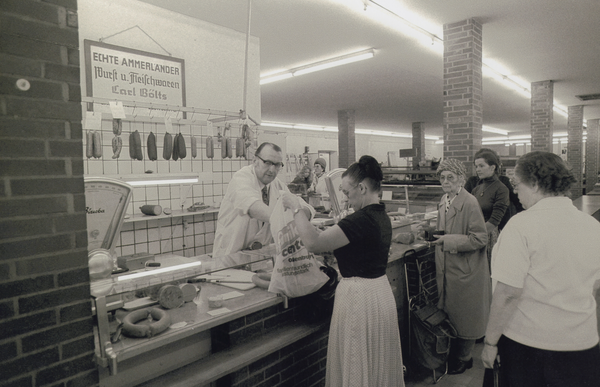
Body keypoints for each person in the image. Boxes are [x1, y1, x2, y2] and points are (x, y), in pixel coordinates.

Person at [281, 155, 404, 386]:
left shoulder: (360, 220)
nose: (346, 200)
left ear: (363, 187)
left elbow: (314, 243)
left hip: (359, 299)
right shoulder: (380, 215)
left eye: (347, 193)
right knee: (374, 362)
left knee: (357, 360)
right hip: (379, 293)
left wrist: (296, 208)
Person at [482, 151, 600, 387]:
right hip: (582, 346)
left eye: (517, 184)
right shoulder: (593, 225)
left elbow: (507, 293)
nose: (515, 191)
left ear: (534, 184)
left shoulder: (521, 225)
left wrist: (490, 342)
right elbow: (595, 285)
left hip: (530, 347)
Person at [433, 158, 491, 375]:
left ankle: (464, 358)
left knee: (467, 316)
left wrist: (448, 241)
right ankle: (457, 354)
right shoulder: (444, 199)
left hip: (466, 268)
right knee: (452, 314)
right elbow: (445, 228)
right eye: (442, 177)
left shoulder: (469, 202)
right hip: (450, 267)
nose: (445, 181)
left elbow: (479, 238)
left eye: (450, 177)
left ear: (461, 179)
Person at [213, 142, 314, 259]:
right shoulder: (241, 178)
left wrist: (301, 213)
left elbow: (305, 207)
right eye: (267, 162)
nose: (272, 169)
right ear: (255, 160)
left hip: (257, 257)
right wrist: (291, 217)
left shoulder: (276, 185)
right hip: (229, 257)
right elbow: (253, 207)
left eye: (277, 165)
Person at [464, 149, 509, 267]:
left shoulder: (501, 189)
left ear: (492, 167)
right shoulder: (477, 188)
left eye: (481, 166)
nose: (477, 169)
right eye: (476, 166)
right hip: (473, 235)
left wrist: (475, 235)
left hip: (487, 237)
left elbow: (494, 221)